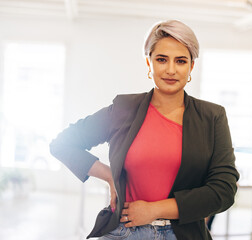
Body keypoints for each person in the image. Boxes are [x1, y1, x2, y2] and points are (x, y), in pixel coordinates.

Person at [49, 20, 239, 240]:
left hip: (182, 234)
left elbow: (224, 190)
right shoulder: (123, 109)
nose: (170, 70)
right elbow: (62, 144)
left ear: (191, 67)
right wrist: (111, 176)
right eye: (161, 59)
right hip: (123, 230)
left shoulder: (212, 117)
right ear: (149, 63)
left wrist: (155, 209)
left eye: (180, 61)